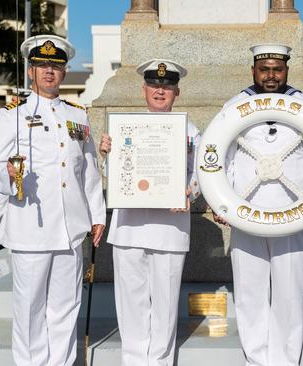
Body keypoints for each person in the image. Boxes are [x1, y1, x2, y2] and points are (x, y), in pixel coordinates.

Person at [0, 35, 106, 366]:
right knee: (30, 309)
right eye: (42, 66)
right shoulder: (12, 115)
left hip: (71, 228)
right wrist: (8, 174)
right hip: (31, 227)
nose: (49, 72)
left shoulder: (78, 115)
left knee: (66, 307)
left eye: (55, 66)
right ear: (30, 72)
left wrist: (97, 215)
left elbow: (88, 171)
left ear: (64, 72)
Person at [213, 44, 303, 366]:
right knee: (249, 292)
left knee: (290, 293)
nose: (270, 75)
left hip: (293, 216)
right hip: (246, 216)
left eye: (277, 69)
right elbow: (221, 160)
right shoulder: (234, 107)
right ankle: (256, 359)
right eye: (264, 69)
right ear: (253, 70)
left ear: (286, 71)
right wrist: (219, 200)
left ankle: (285, 360)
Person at [98, 59, 200, 366]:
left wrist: (189, 192)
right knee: (131, 302)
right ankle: (134, 361)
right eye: (155, 86)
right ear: (143, 89)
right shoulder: (125, 128)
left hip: (170, 227)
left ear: (177, 92)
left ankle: (160, 361)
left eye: (167, 87)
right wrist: (107, 156)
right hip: (129, 226)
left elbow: (201, 174)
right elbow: (112, 177)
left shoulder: (192, 131)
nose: (160, 91)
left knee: (165, 304)